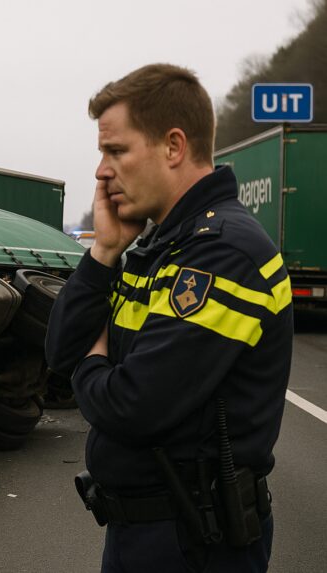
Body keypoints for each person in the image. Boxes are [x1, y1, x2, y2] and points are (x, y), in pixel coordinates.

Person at [45, 63, 293, 572]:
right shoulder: (158, 244)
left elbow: (135, 406)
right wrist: (105, 251)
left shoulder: (222, 254)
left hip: (193, 541)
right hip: (144, 530)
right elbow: (58, 352)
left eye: (116, 151)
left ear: (174, 146)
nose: (100, 171)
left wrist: (91, 365)